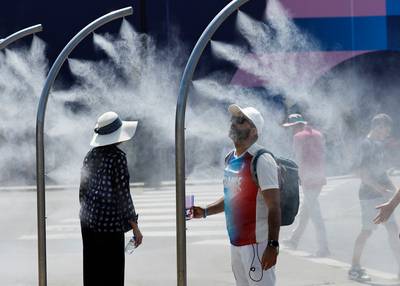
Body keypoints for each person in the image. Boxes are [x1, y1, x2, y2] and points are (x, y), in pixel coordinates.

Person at [193, 104, 281, 286]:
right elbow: (233, 199)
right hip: (236, 242)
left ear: (254, 131)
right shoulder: (230, 158)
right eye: (233, 119)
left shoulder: (261, 160)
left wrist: (273, 245)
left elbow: (274, 205)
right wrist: (205, 211)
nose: (234, 123)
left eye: (241, 121)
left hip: (257, 244)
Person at [79, 111, 143, 286]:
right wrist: (135, 227)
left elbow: (82, 190)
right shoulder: (118, 158)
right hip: (109, 226)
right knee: (112, 274)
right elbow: (123, 195)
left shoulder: (90, 155)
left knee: (92, 272)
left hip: (88, 223)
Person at [348, 113, 400, 282]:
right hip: (369, 197)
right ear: (377, 126)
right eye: (386, 128)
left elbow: (381, 171)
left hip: (382, 196)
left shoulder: (378, 144)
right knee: (367, 231)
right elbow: (360, 172)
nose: (387, 131)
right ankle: (354, 267)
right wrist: (379, 189)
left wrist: (392, 189)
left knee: (393, 231)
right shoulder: (366, 144)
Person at [282, 114, 329, 257]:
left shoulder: (298, 137)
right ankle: (294, 240)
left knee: (315, 213)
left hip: (308, 179)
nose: (290, 131)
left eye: (291, 127)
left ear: (295, 126)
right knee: (306, 210)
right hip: (319, 177)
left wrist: (299, 176)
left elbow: (299, 158)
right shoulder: (318, 134)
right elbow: (323, 154)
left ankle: (323, 247)